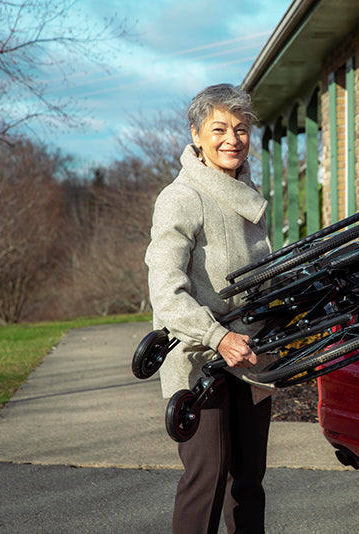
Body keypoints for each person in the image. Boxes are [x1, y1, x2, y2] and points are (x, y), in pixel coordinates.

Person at [145, 83, 273, 534]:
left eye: (241, 130)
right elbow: (165, 291)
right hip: (200, 358)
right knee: (208, 478)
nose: (232, 139)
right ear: (196, 135)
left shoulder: (248, 194)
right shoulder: (181, 197)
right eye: (219, 129)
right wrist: (218, 336)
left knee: (249, 482)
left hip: (253, 353)